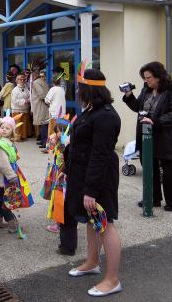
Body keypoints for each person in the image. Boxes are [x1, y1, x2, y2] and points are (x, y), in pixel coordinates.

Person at [62, 68, 122, 297]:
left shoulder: (105, 116)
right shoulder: (92, 111)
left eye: (80, 89)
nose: (78, 93)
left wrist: (91, 191)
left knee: (105, 224)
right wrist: (68, 170)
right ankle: (92, 262)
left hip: (99, 179)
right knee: (91, 220)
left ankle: (112, 279)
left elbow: (99, 155)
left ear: (89, 90)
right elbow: (80, 146)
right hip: (83, 176)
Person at [123, 61, 172, 211]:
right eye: (144, 78)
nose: (146, 81)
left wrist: (155, 121)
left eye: (148, 78)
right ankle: (153, 198)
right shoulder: (146, 91)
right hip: (146, 135)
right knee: (149, 167)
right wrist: (128, 95)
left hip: (165, 135)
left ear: (159, 76)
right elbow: (138, 108)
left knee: (169, 168)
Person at [31, 69, 50, 147]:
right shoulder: (43, 81)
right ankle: (43, 140)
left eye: (33, 74)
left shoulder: (36, 82)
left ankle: (44, 141)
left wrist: (46, 102)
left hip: (40, 105)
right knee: (44, 123)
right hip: (43, 105)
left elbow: (41, 94)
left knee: (43, 123)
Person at [45, 73, 66, 139]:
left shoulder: (53, 89)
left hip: (54, 113)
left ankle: (51, 147)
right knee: (60, 130)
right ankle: (59, 146)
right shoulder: (62, 89)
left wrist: (49, 106)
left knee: (52, 130)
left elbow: (46, 100)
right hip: (62, 113)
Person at [10, 74, 30, 141]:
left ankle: (23, 136)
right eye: (20, 79)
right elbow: (14, 100)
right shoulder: (15, 90)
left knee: (24, 124)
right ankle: (17, 137)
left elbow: (29, 95)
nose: (22, 80)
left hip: (24, 109)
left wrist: (29, 100)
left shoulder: (26, 88)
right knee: (17, 124)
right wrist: (25, 101)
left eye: (24, 79)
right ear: (17, 81)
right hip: (17, 110)